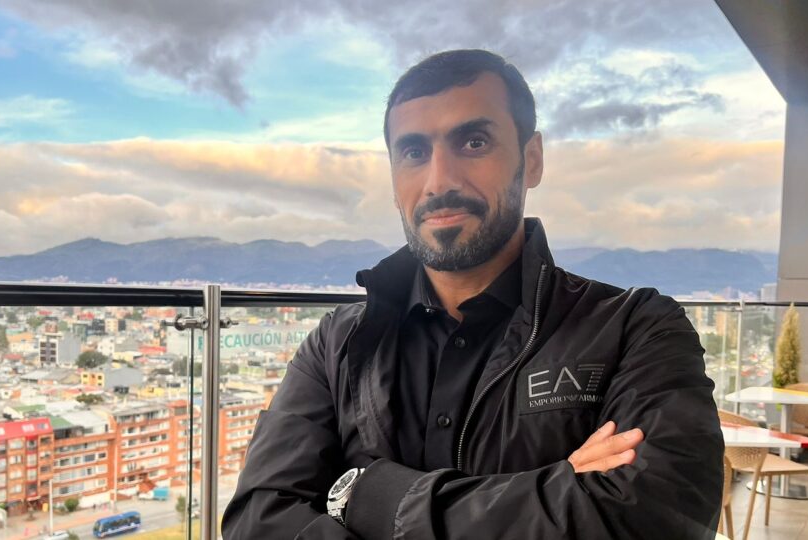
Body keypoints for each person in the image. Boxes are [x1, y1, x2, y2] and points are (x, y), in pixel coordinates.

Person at [222, 49, 723, 539]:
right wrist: (553, 491)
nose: (440, 181)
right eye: (414, 152)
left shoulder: (636, 329)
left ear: (531, 159)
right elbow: (257, 520)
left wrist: (370, 497)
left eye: (474, 142)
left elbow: (659, 516)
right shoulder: (337, 345)